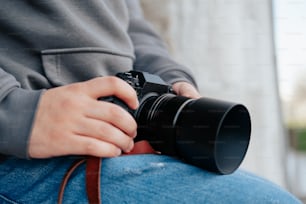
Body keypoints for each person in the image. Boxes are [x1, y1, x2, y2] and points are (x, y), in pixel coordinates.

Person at [0, 0, 301, 203]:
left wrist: (172, 79)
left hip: (112, 152)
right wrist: (16, 112)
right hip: (21, 158)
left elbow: (131, 27)